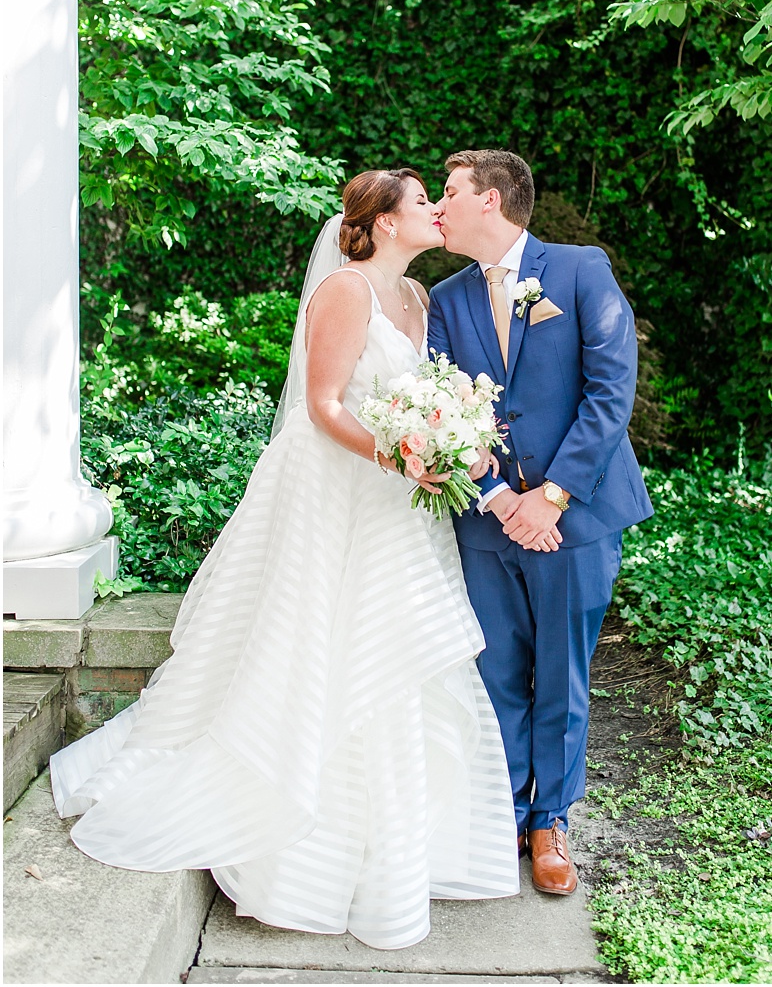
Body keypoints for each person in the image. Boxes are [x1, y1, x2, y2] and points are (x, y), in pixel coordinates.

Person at [52, 169, 520, 950]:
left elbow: (425, 392)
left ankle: (398, 849)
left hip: (400, 508)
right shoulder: (343, 292)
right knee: (317, 646)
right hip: (337, 489)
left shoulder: (419, 300)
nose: (436, 210)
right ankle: (295, 836)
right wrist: (398, 455)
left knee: (399, 654)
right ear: (379, 221)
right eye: (420, 203)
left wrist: (450, 436)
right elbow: (324, 405)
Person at [426, 149, 652, 896]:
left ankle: (550, 821)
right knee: (494, 670)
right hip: (488, 521)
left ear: (491, 200)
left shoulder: (581, 270)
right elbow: (444, 408)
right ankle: (506, 812)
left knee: (563, 670)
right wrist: (497, 497)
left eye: (451, 192)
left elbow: (610, 390)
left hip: (573, 516)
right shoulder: (447, 297)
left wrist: (549, 496)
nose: (441, 206)